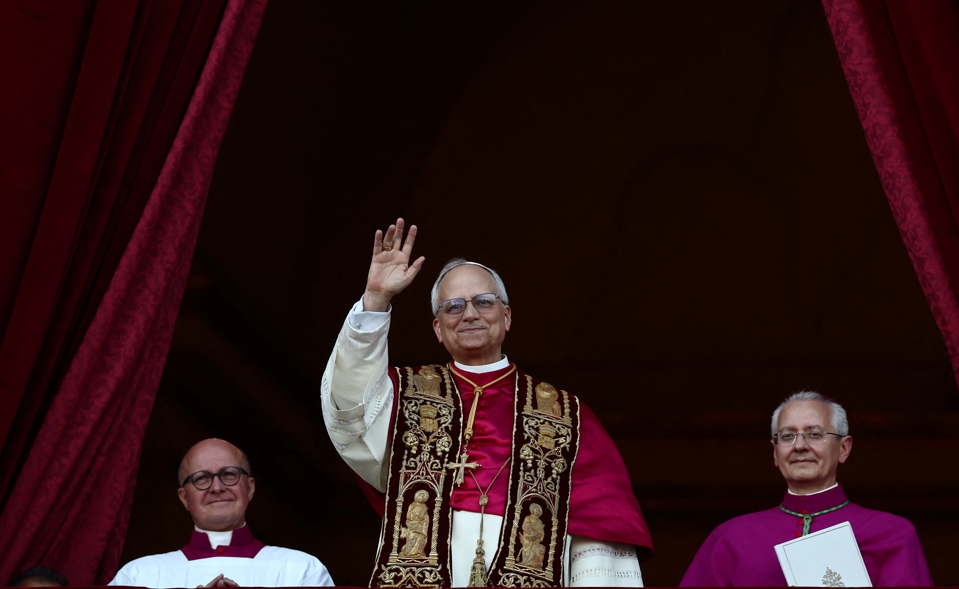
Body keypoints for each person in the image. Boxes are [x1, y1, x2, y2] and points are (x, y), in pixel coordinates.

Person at [321, 219, 653, 587]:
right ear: (437, 328)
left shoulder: (567, 415)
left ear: (506, 316)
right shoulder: (403, 395)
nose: (470, 314)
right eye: (453, 306)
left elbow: (600, 532)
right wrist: (376, 300)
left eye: (483, 301)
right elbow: (348, 409)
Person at [680, 391, 933, 586]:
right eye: (788, 436)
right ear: (775, 453)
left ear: (844, 448)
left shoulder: (892, 534)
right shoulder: (731, 537)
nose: (799, 445)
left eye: (814, 434)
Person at [109, 439, 333, 588]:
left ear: (250, 487)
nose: (217, 487)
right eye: (202, 478)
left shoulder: (302, 571)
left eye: (228, 474)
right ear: (184, 497)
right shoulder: (138, 577)